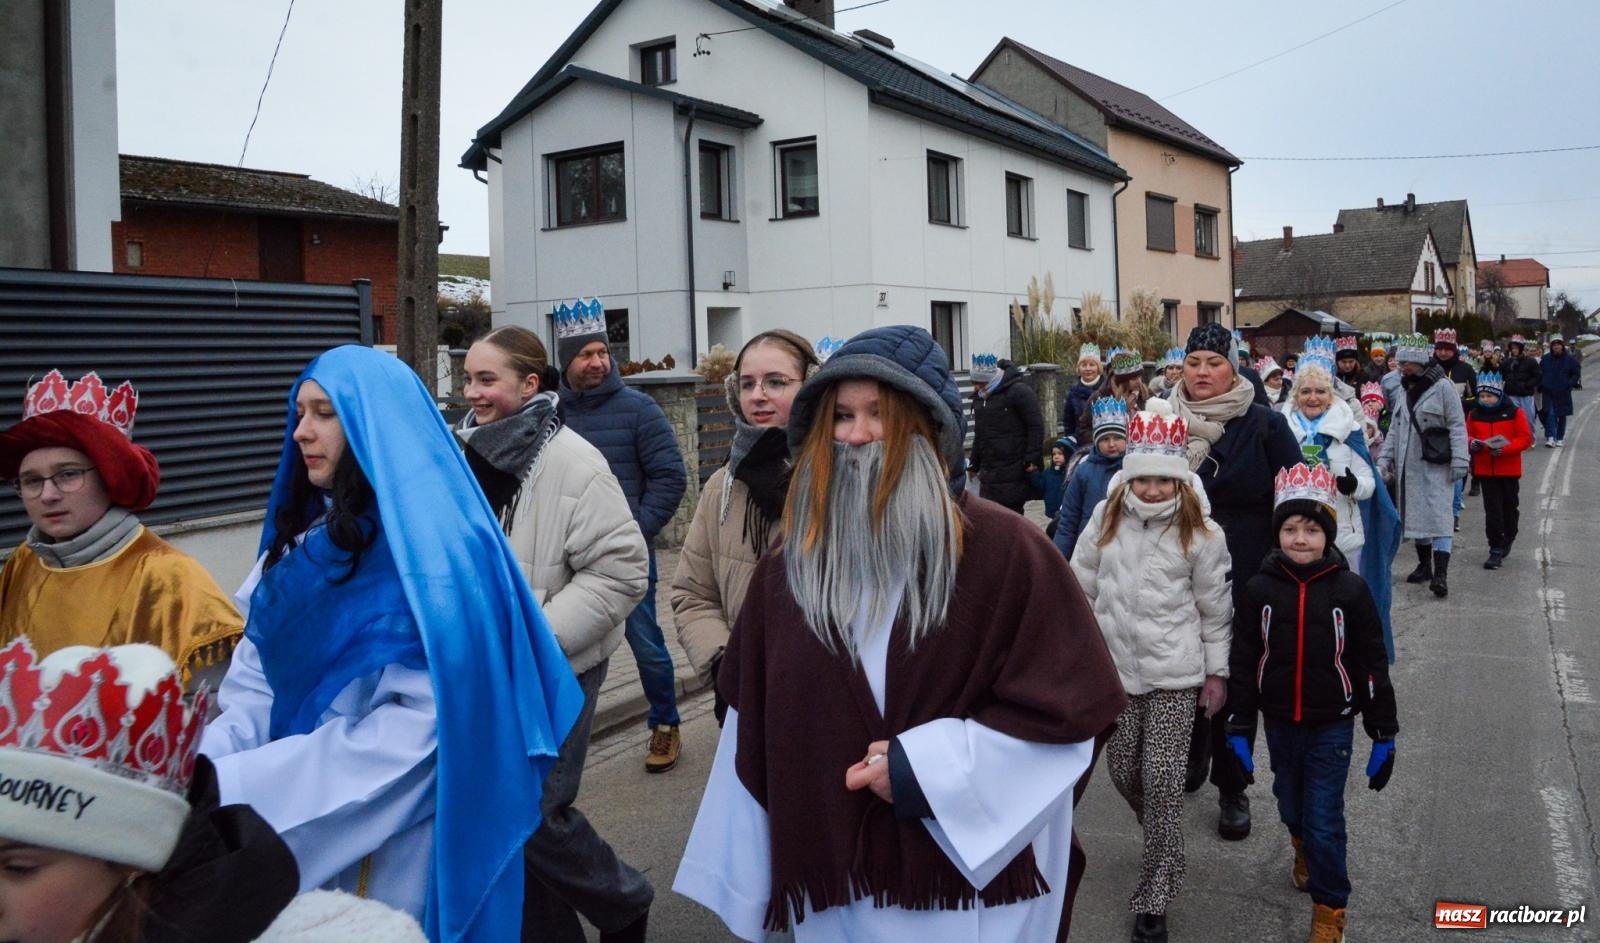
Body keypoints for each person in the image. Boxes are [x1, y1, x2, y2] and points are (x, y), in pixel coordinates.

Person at [674, 325, 1127, 942]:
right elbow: (756, 724)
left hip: (973, 899)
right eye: (841, 416)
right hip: (842, 895)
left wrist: (927, 770)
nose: (857, 436)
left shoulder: (1008, 552)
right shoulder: (791, 570)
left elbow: (1073, 715)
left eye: (879, 415)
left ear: (931, 429)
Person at [202, 345, 585, 941]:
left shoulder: (438, 565)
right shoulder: (295, 555)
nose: (301, 430)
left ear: (375, 422)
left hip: (401, 848)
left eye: (324, 412)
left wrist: (242, 788)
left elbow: (427, 735)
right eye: (298, 412)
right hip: (279, 829)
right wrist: (199, 768)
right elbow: (252, 694)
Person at [455, 326, 654, 943]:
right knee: (502, 815)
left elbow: (624, 572)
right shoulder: (465, 455)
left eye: (487, 379)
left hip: (560, 663)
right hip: (491, 667)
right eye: (468, 379)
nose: (473, 393)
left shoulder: (574, 461)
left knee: (536, 812)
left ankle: (624, 903)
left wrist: (532, 637)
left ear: (531, 384)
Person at [1070, 399, 1232, 943]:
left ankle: (1156, 890)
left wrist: (1217, 673)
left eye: (1166, 481)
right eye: (1146, 481)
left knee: (1162, 779)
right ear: (1130, 479)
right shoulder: (1106, 516)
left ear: (1180, 482)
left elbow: (1215, 610)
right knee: (1123, 774)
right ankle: (1165, 838)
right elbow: (1081, 584)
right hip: (1114, 671)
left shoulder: (1203, 535)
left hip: (1175, 675)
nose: (1155, 491)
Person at [1223, 464, 1398, 943]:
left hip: (1332, 725)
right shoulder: (1259, 589)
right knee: (1289, 804)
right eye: (1290, 529)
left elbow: (1370, 662)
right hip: (1280, 722)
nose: (1301, 539)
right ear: (1277, 533)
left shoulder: (1350, 590)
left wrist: (1384, 730)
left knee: (1325, 819)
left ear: (1329, 534)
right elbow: (1244, 657)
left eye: (1313, 529)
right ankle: (1299, 845)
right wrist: (1240, 725)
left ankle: (1329, 910)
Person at [0, 369, 241, 684]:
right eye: (32, 481)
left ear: (109, 478)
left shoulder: (168, 576)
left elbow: (211, 706)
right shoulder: (24, 562)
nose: (48, 495)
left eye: (68, 474)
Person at [1169, 322, 1302, 838]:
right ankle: (1192, 749)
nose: (1202, 372)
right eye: (1194, 362)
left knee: (1234, 682)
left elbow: (1296, 503)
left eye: (1214, 362)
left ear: (1235, 366)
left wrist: (1287, 570)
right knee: (1179, 673)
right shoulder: (1162, 420)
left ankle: (1232, 786)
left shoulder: (1265, 425)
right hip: (1176, 574)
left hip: (1245, 574)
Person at [556, 298, 689, 772]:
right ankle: (560, 739)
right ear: (564, 359)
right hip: (563, 560)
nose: (596, 362)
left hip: (626, 559)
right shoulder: (549, 414)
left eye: (601, 352)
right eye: (584, 354)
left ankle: (666, 725)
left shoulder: (639, 410)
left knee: (647, 644)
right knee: (565, 649)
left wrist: (634, 534)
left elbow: (670, 477)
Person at [672, 329, 819, 724]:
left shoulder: (838, 479)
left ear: (811, 386)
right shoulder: (723, 484)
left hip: (824, 701)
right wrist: (724, 665)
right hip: (742, 699)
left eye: (776, 382)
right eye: (747, 384)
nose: (758, 395)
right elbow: (692, 594)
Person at [1378, 334, 1469, 599]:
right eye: (1401, 362)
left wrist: (1461, 460)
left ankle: (1441, 574)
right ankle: (1424, 566)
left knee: (1440, 517)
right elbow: (1395, 429)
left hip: (1438, 462)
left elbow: (1457, 424)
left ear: (1420, 362)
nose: (1402, 367)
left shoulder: (1443, 387)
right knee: (1416, 516)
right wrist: (1384, 460)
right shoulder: (1403, 388)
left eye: (1407, 362)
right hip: (1410, 465)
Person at [1277, 357, 1374, 574]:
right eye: (1305, 391)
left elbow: (1369, 483)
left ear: (1330, 396)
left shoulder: (1350, 430)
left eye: (1320, 391)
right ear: (1295, 396)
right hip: (1296, 540)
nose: (1313, 398)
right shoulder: (1279, 431)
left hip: (1343, 535)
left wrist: (1354, 485)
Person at [1466, 372, 1534, 570]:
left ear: (1498, 395)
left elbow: (1525, 438)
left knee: (1509, 507)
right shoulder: (1475, 413)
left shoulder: (1514, 412)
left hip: (1508, 469)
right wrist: (1473, 444)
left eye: (1489, 396)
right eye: (1482, 396)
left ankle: (1509, 535)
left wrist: (1505, 449)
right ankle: (1495, 548)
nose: (1485, 400)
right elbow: (1466, 434)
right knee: (1492, 509)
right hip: (1486, 469)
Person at [1054, 398, 1128, 559]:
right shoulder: (1084, 470)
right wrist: (1059, 559)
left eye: (1117, 438)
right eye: (1104, 439)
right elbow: (1069, 519)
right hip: (1089, 547)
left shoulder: (1133, 471)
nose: (1111, 444)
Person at [970, 357, 1045, 515]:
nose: (977, 388)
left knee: (1012, 514)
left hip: (1014, 466)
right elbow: (980, 434)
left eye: (980, 383)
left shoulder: (1018, 392)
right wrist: (974, 464)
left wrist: (1031, 459)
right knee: (991, 515)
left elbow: (1035, 426)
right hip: (990, 469)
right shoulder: (981, 398)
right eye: (974, 383)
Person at [1430, 329, 1478, 506]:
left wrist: (1459, 405)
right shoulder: (1430, 369)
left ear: (1454, 349)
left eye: (1447, 349)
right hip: (1435, 422)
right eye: (1440, 349)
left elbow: (1476, 395)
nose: (1443, 353)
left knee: (1460, 455)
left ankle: (1458, 493)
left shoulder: (1465, 369)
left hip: (1461, 420)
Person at [1076, 349, 1149, 443]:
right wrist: (1101, 442)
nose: (1139, 382)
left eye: (1140, 377)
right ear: (1123, 380)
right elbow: (1083, 429)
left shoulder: (1146, 395)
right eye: (1134, 378)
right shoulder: (1099, 397)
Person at [1539, 334, 1581, 447]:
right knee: (1550, 414)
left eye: (1558, 344)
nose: (1556, 347)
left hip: (1563, 391)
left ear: (1562, 346)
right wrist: (1542, 384)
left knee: (1561, 415)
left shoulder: (1569, 359)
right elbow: (1540, 373)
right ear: (1552, 346)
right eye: (1554, 345)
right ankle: (1551, 437)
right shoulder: (1546, 359)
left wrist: (1570, 383)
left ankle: (1560, 437)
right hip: (1549, 391)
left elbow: (1576, 372)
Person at [1060, 343, 1104, 444]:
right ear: (1079, 368)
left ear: (1098, 368)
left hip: (1104, 441)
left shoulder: (1106, 390)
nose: (1088, 369)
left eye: (1092, 365)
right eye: (1084, 365)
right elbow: (1068, 423)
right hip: (1080, 442)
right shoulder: (1073, 394)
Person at [1033, 436, 1073, 526]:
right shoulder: (1049, 472)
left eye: (1060, 454)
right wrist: (1034, 474)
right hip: (1052, 510)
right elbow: (1041, 484)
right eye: (1054, 454)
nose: (1056, 457)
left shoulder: (1071, 474)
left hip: (1066, 511)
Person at [1501, 336, 1541, 426]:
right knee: (1514, 418)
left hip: (1525, 394)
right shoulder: (1507, 363)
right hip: (1512, 394)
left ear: (1521, 348)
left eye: (1516, 348)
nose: (1514, 350)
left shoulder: (1530, 361)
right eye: (1512, 348)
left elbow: (1538, 376)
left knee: (1528, 418)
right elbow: (1502, 375)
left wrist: (1527, 385)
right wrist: (1507, 384)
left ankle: (1531, 437)